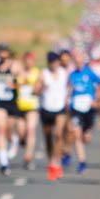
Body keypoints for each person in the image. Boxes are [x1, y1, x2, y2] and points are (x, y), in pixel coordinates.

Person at [66, 50, 100, 174]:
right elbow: (69, 89)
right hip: (76, 108)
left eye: (80, 61)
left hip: (89, 108)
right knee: (76, 134)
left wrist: (97, 99)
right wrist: (68, 100)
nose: (78, 63)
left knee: (86, 137)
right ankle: (82, 162)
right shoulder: (72, 75)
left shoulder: (89, 72)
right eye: (76, 61)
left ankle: (86, 134)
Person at [0, 44, 21, 175]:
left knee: (8, 129)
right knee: (0, 130)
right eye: (0, 51)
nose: (2, 53)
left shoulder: (14, 65)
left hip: (11, 103)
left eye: (4, 51)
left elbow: (22, 81)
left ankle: (13, 139)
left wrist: (15, 84)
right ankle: (4, 163)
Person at [40, 51, 70, 181]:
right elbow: (35, 89)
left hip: (60, 108)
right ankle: (52, 160)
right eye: (51, 62)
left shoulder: (64, 73)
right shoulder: (44, 74)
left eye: (56, 61)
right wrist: (41, 88)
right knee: (48, 137)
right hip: (46, 108)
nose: (54, 64)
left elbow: (70, 87)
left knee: (58, 134)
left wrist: (68, 97)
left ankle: (56, 163)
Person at [16, 51, 42, 171]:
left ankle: (28, 155)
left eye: (31, 60)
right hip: (20, 106)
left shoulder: (37, 73)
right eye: (26, 60)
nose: (28, 62)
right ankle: (22, 142)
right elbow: (13, 86)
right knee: (22, 132)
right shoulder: (19, 73)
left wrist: (35, 87)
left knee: (31, 130)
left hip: (32, 106)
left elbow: (40, 88)